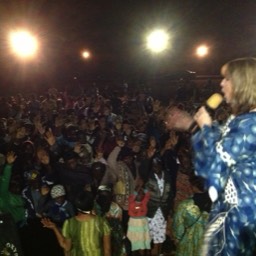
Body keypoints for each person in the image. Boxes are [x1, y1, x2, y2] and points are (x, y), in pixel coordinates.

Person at [191, 57, 256, 255]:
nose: (221, 83)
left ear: (241, 83)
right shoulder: (243, 121)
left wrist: (205, 126)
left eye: (227, 78)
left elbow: (214, 163)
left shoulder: (250, 125)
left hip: (243, 217)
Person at [41, 190, 111, 256]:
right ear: (92, 205)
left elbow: (66, 247)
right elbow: (107, 250)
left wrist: (54, 228)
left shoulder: (69, 223)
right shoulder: (102, 222)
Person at [172, 175, 211, 256]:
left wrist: (177, 239)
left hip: (188, 243)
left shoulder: (185, 205)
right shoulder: (215, 205)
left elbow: (178, 227)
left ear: (193, 186)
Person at [126, 187, 151, 255]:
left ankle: (142, 252)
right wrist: (136, 190)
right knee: (133, 241)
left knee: (142, 240)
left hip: (142, 223)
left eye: (142, 194)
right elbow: (131, 198)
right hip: (134, 223)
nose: (140, 195)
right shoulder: (131, 203)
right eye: (138, 194)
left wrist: (144, 188)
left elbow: (148, 195)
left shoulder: (144, 202)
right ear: (135, 195)